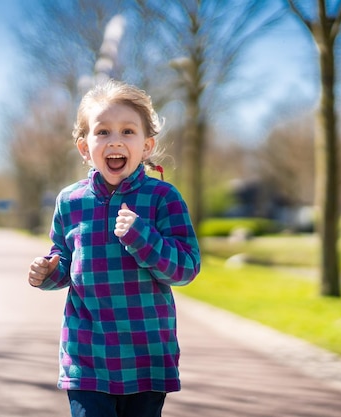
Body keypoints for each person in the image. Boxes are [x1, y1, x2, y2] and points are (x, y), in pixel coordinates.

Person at [27, 79, 201, 417]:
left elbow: (186, 269)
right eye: (103, 132)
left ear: (147, 145)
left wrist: (142, 237)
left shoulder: (163, 198)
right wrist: (47, 272)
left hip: (146, 357)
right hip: (86, 356)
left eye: (127, 132)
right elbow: (63, 261)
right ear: (84, 147)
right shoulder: (69, 201)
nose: (115, 141)